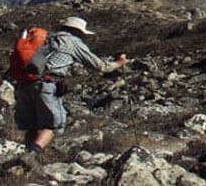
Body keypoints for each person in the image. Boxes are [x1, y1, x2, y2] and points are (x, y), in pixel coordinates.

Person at [13, 16, 127, 161]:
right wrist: (119, 63)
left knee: (32, 126)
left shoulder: (47, 38)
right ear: (78, 32)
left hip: (24, 84)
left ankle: (26, 155)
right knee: (51, 126)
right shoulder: (72, 41)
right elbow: (100, 66)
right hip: (47, 85)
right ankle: (31, 155)